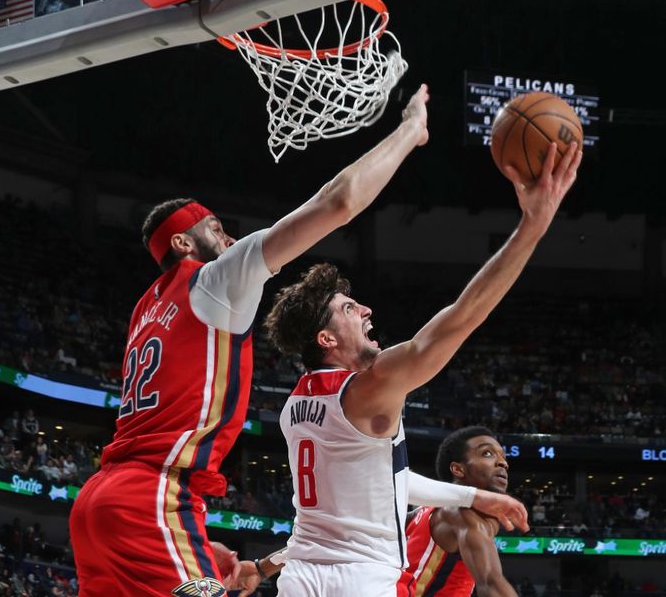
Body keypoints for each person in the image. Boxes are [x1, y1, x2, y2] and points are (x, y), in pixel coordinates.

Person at [70, 84, 439, 597]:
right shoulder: (214, 280)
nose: (228, 239)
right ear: (184, 242)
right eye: (216, 229)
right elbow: (339, 201)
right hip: (153, 499)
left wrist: (189, 543)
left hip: (99, 504)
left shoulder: (145, 309)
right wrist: (408, 131)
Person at [260, 138, 580, 596]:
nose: (366, 310)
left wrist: (474, 495)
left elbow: (386, 481)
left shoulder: (295, 405)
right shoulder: (370, 387)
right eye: (350, 310)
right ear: (326, 340)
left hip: (301, 578)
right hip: (362, 581)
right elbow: (463, 315)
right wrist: (533, 225)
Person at [398, 426, 516, 597]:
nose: (503, 462)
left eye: (503, 456)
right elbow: (491, 585)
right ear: (458, 469)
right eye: (487, 454)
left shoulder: (423, 512)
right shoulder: (463, 514)